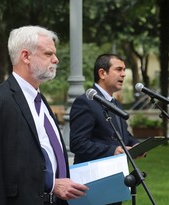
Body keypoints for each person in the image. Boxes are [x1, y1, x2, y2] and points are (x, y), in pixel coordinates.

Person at [0, 25, 88, 205]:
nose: (56, 60)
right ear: (25, 56)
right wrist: (51, 184)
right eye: (48, 54)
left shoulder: (41, 100)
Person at [69, 53, 140, 205]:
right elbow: (77, 143)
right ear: (102, 73)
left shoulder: (116, 104)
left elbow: (122, 135)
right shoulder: (85, 102)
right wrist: (112, 150)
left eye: (124, 70)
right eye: (119, 69)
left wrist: (136, 145)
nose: (124, 74)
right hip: (93, 183)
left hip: (115, 179)